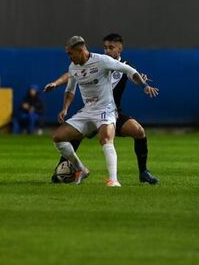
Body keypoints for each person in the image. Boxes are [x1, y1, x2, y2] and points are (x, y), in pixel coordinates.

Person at [45, 33, 159, 184]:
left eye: (111, 47)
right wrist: (61, 98)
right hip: (90, 110)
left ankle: (142, 172)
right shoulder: (87, 63)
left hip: (112, 111)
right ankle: (67, 168)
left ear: (120, 49)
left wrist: (143, 84)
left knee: (138, 132)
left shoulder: (119, 64)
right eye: (105, 47)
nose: (107, 51)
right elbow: (73, 75)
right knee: (70, 135)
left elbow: (133, 75)